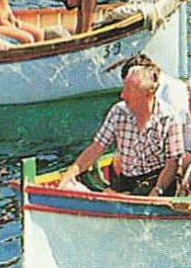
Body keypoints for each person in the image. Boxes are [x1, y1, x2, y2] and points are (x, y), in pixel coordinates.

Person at [58, 62, 184, 196]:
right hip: (127, 179)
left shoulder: (169, 118)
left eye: (130, 90)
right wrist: (72, 172)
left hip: (156, 179)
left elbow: (173, 163)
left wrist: (157, 191)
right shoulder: (118, 111)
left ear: (147, 94)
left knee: (117, 195)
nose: (123, 95)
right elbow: (97, 147)